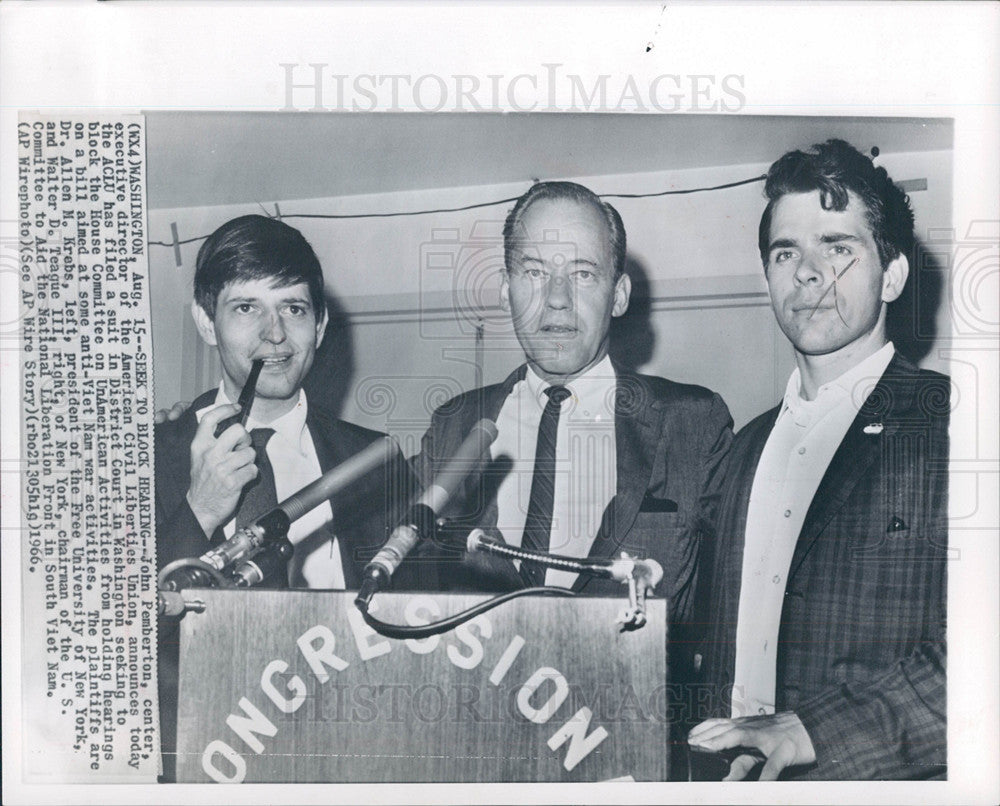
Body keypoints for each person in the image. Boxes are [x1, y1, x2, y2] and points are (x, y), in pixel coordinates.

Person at [411, 182, 733, 736]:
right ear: (506, 288)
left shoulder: (693, 423)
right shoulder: (453, 428)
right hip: (474, 740)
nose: (556, 298)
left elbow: (724, 619)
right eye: (534, 271)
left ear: (620, 294)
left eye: (583, 273)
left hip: (632, 745)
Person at [688, 140, 948, 780]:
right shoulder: (738, 451)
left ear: (892, 275)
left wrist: (815, 732)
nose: (808, 273)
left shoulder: (955, 428)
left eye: (837, 248)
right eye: (786, 252)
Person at [154, 214, 432, 779]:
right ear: (206, 324)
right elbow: (104, 645)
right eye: (246, 308)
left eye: (294, 309)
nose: (275, 335)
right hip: (195, 766)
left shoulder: (376, 461)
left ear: (321, 325)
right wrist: (199, 512)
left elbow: (415, 628)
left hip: (349, 758)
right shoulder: (146, 457)